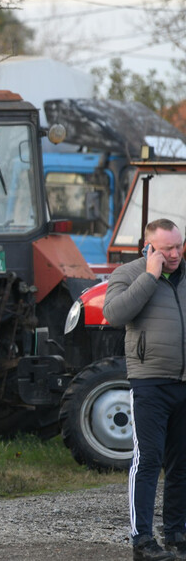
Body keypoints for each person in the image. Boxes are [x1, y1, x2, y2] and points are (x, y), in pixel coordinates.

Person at [103, 218, 186, 561]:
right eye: (167, 248)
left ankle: (177, 533)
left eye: (179, 245)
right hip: (150, 380)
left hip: (184, 382)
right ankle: (142, 541)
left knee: (181, 463)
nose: (175, 253)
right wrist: (151, 275)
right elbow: (114, 313)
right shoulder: (129, 273)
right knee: (148, 458)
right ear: (149, 247)